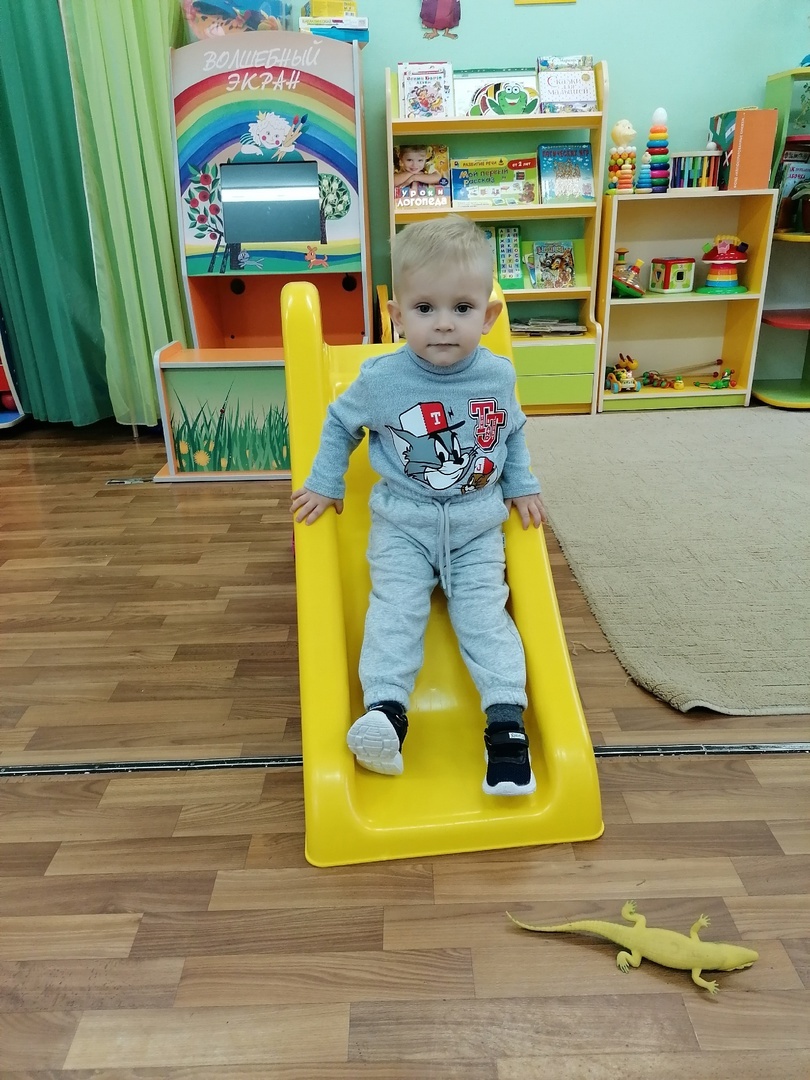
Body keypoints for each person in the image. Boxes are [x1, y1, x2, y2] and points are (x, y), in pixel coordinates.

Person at [291, 215, 547, 795]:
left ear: (488, 316)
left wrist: (522, 483)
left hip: (477, 527)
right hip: (402, 525)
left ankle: (506, 725)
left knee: (485, 617)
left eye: (462, 308)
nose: (444, 324)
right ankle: (386, 714)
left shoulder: (497, 375)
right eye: (425, 308)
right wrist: (327, 482)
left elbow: (512, 433)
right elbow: (339, 423)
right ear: (398, 315)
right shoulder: (382, 379)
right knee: (395, 610)